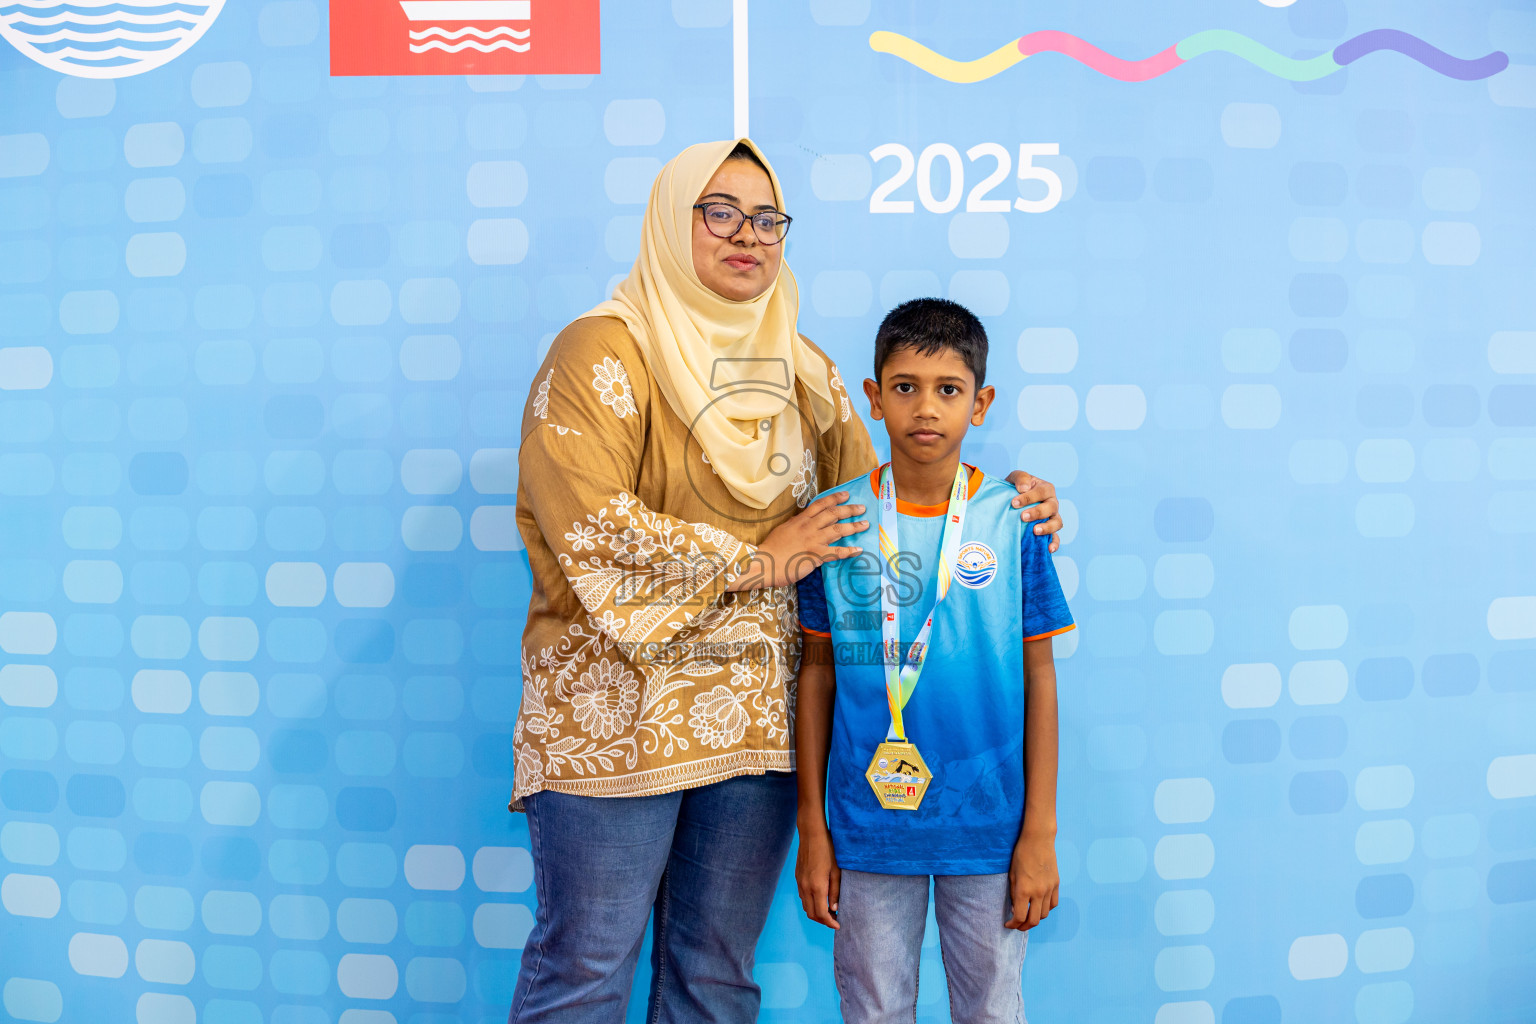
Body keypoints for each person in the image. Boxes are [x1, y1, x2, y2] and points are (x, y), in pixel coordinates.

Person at [509, 140, 1064, 1023]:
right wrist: (760, 561)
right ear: (669, 218)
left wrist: (1009, 502)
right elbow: (588, 522)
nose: (748, 236)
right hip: (617, 727)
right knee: (588, 965)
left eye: (767, 219)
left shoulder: (805, 372)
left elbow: (876, 510)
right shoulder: (601, 352)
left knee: (715, 974)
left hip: (756, 735)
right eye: (719, 211)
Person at [794, 298, 1075, 1024]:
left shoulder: (1013, 521)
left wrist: (1038, 833)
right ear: (874, 397)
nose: (926, 407)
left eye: (948, 389)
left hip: (989, 827)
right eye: (906, 386)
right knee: (875, 1010)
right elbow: (817, 677)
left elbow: (1039, 676)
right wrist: (814, 831)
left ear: (979, 404)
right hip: (866, 824)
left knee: (989, 1011)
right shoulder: (836, 523)